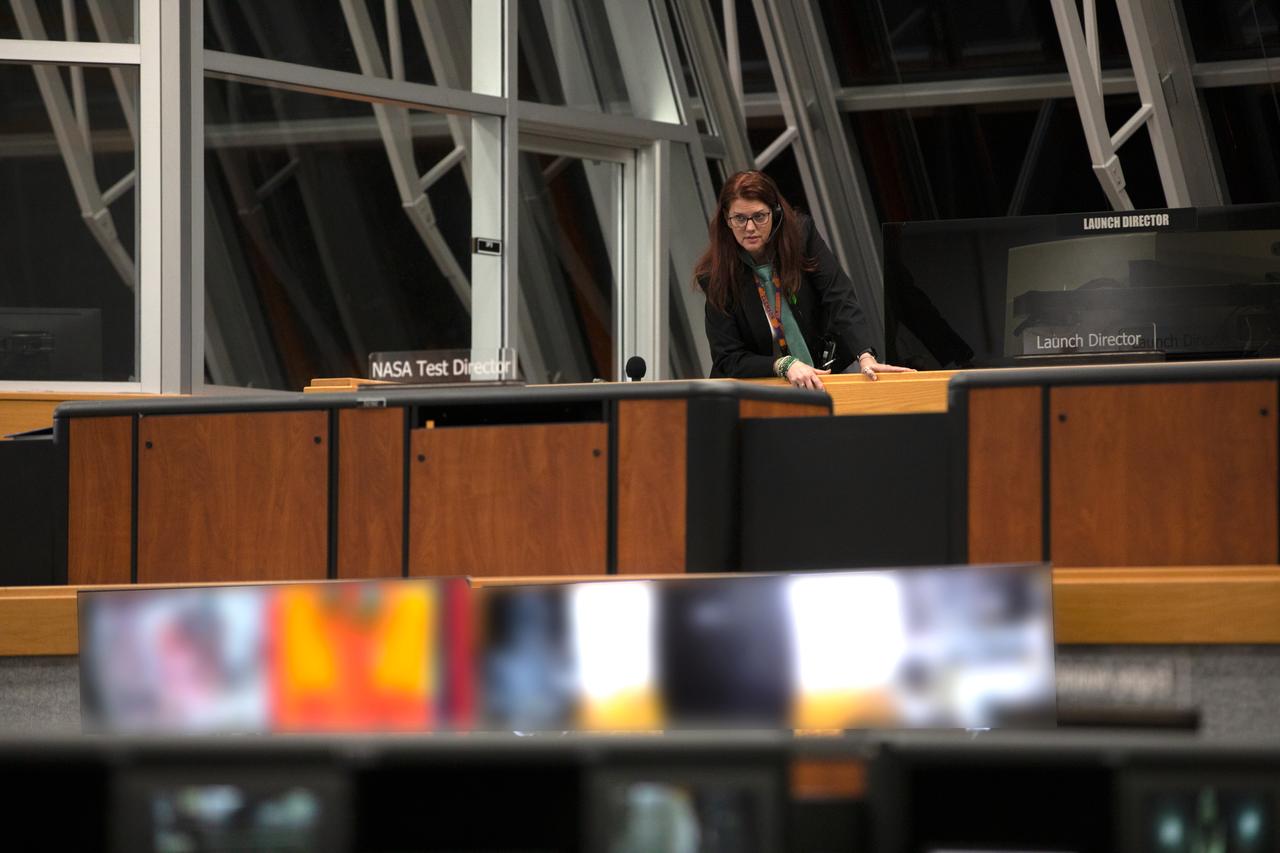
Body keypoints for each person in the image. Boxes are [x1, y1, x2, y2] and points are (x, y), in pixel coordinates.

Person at [695, 170, 912, 390]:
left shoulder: (801, 236)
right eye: (740, 218)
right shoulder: (715, 276)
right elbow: (728, 357)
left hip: (826, 370)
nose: (749, 227)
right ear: (727, 219)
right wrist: (782, 364)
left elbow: (839, 295)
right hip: (765, 388)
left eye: (759, 216)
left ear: (775, 213)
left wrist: (865, 355)